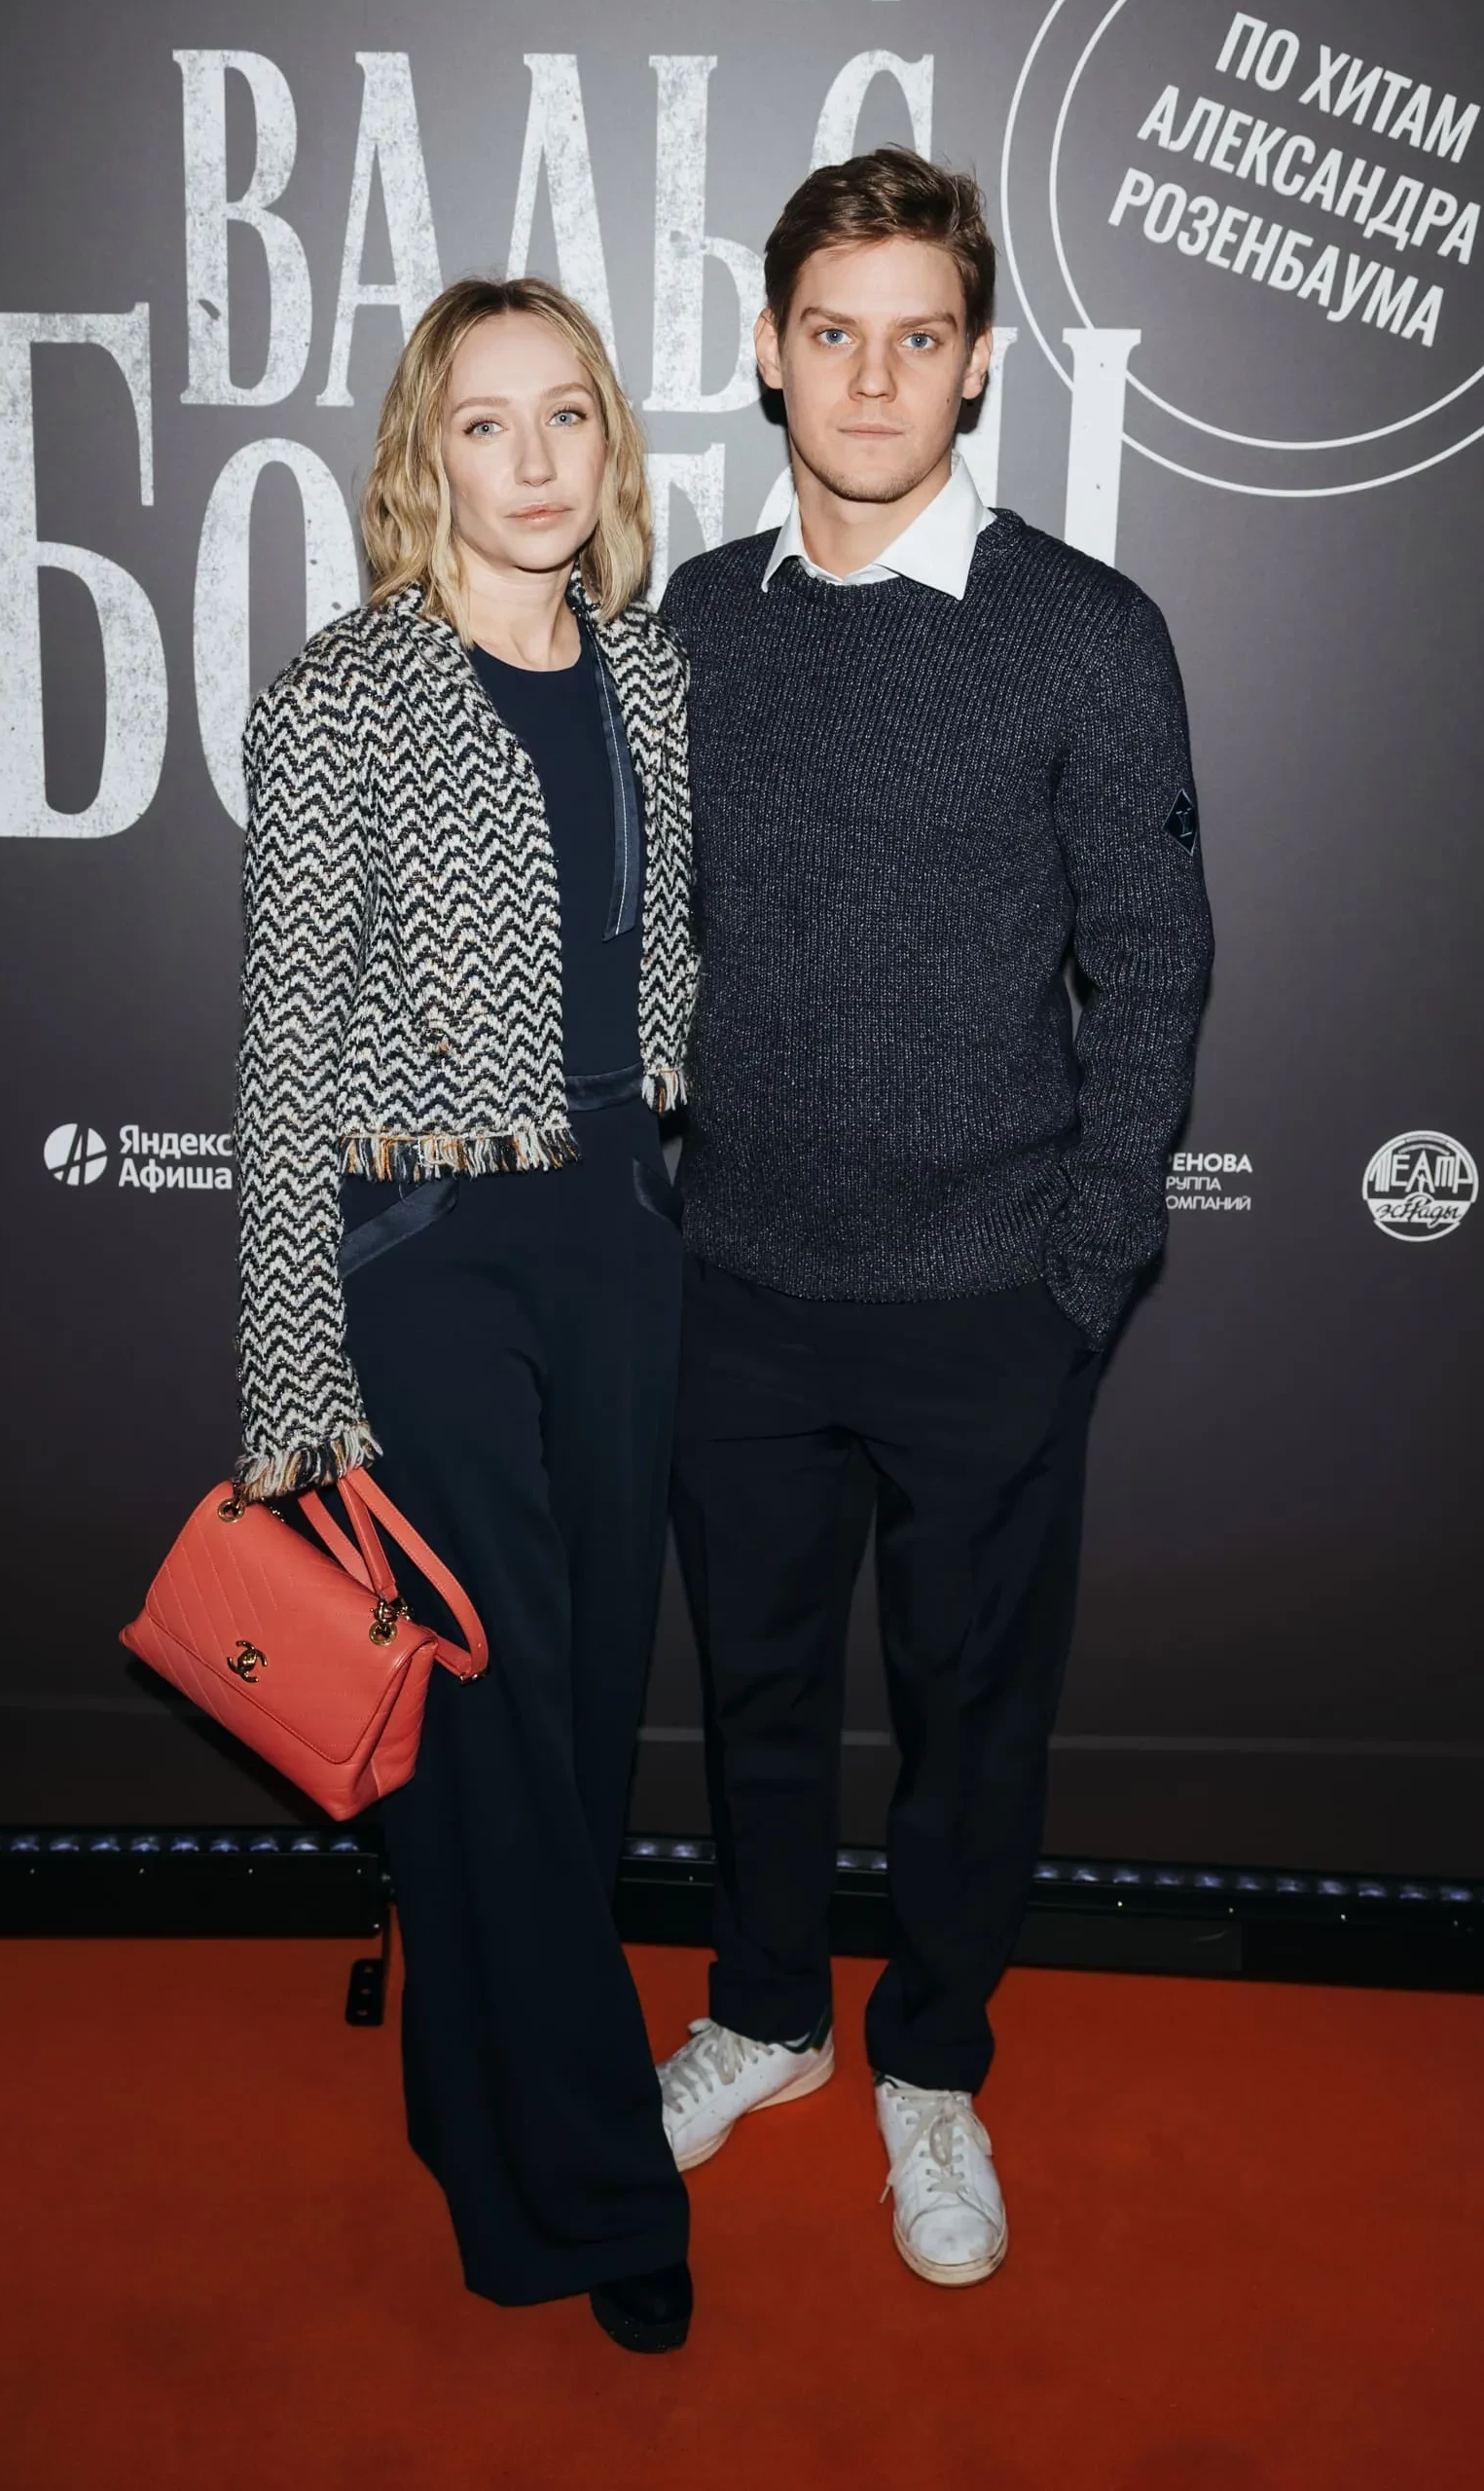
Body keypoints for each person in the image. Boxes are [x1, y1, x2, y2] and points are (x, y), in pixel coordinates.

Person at [656, 147, 1213, 2287]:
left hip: (990, 1297)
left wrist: (1079, 1277)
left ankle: (933, 2067)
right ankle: (766, 2015)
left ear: (978, 364)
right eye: (833, 332)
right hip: (739, 1287)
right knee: (759, 1695)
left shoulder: (1085, 634)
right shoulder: (694, 626)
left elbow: (1152, 967)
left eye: (917, 337)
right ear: (770, 350)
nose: (872, 377)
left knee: (974, 1723)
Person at [235, 276, 698, 2350]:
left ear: (610, 442)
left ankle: (469, 2098)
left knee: (576, 1716)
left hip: (621, 1236)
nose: (533, 460)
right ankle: (592, 2197)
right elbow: (284, 1044)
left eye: (567, 415)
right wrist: (293, 1362)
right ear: (427, 456)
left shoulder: (651, 676)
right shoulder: (343, 694)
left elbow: (665, 967)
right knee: (494, 1710)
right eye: (486, 423)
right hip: (429, 1251)